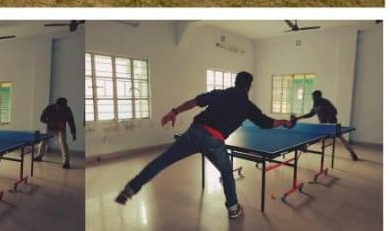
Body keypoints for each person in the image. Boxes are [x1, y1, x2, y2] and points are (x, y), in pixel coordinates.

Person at [115, 72, 297, 221]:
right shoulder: (247, 106)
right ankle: (233, 208)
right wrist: (285, 123)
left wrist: (174, 111)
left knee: (163, 160)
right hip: (214, 142)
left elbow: (194, 102)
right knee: (226, 172)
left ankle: (130, 189)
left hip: (194, 133)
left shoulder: (219, 93)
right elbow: (265, 122)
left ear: (235, 82)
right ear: (249, 86)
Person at [297, 90, 360, 160]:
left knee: (340, 138)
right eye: (312, 96)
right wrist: (299, 117)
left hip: (332, 124)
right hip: (323, 125)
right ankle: (305, 147)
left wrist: (328, 122)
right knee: (313, 135)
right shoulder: (315, 104)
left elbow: (334, 111)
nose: (313, 98)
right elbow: (310, 114)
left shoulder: (325, 102)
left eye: (314, 96)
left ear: (319, 96)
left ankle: (352, 153)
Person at [37, 97, 77, 169]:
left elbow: (71, 121)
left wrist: (73, 133)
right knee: (43, 141)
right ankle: (39, 156)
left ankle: (66, 162)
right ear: (56, 105)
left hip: (61, 128)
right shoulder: (49, 108)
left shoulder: (67, 110)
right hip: (50, 127)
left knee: (63, 143)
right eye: (60, 107)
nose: (61, 109)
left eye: (63, 107)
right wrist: (49, 122)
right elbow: (41, 118)